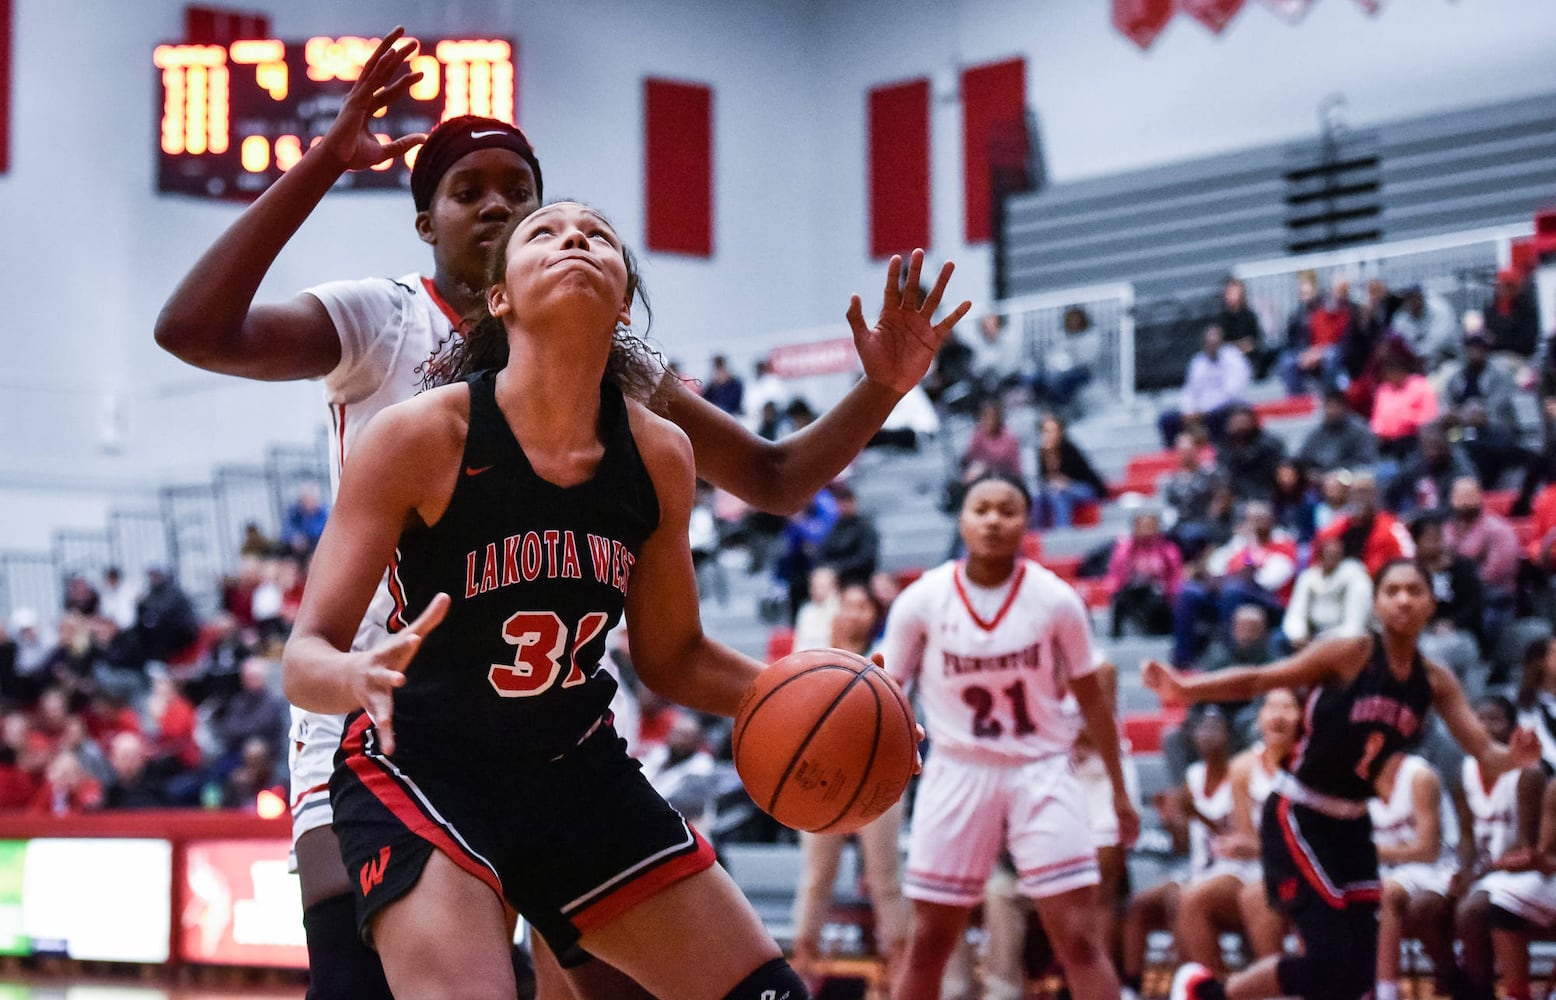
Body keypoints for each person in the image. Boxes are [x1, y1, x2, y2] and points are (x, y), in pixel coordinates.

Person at [154, 29, 969, 1000]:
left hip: (556, 726)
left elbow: (774, 480)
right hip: (379, 711)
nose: (500, 204)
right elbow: (193, 329)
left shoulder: (632, 396)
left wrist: (877, 393)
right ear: (437, 232)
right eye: (468, 191)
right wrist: (326, 160)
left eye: (523, 191)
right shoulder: (385, 325)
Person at [281, 200, 818, 1000]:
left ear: (625, 299)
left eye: (598, 236)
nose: (576, 239)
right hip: (423, 768)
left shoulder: (660, 453)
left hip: (575, 771)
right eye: (547, 233)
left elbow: (672, 657)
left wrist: (804, 693)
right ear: (499, 299)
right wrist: (359, 677)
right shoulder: (419, 437)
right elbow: (304, 656)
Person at [1145, 558, 1540, 1000]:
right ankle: (1206, 993)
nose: (1403, 600)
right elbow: (1261, 677)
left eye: (1414, 590)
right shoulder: (1350, 652)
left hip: (1353, 825)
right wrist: (1186, 688)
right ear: (1376, 603)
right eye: (1392, 591)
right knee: (1329, 957)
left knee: (1358, 972)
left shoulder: (1435, 680)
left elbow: (1486, 751)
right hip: (1300, 813)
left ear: (1432, 604)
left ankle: (1206, 992)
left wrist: (1516, 757)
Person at [882, 473, 1138, 1000]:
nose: (994, 520)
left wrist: (1118, 789)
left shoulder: (1057, 600)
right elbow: (883, 692)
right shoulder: (921, 601)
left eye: (1008, 509)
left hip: (1040, 767)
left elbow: (1093, 700)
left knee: (1079, 941)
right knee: (928, 941)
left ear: (1027, 521)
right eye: (982, 509)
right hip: (956, 766)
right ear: (963, 518)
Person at [790, 582, 908, 986]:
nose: (857, 613)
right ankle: (803, 967)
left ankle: (899, 969)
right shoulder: (811, 656)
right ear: (835, 612)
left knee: (885, 879)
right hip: (823, 777)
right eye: (850, 605)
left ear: (875, 615)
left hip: (881, 776)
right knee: (816, 877)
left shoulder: (891, 654)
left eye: (865, 606)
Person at [1423, 694, 1544, 1000]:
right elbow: (1465, 835)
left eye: (1496, 719)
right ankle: (1452, 977)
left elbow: (1526, 842)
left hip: (1519, 867)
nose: (1487, 726)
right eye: (1480, 719)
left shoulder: (1528, 773)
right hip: (1482, 866)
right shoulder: (1464, 771)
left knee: (1470, 910)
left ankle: (1480, 991)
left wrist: (1478, 875)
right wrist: (1465, 871)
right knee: (1429, 905)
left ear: (1512, 727)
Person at [1370, 753, 1450, 1000]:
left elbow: (1428, 850)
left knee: (1387, 892)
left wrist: (1370, 852)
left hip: (1436, 868)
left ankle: (1387, 992)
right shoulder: (1354, 777)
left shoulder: (1419, 776)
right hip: (1387, 869)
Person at [1158, 325, 1251, 449]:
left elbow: (1232, 393)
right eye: (1209, 343)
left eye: (1215, 343)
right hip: (1198, 412)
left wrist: (1204, 411)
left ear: (1221, 342)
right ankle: (1174, 456)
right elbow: (1190, 391)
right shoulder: (1197, 362)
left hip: (1225, 408)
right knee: (1167, 419)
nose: (1212, 347)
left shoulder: (1233, 358)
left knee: (1218, 416)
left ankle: (1220, 451)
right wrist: (1188, 411)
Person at [1281, 531, 1372, 651]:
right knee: (1279, 640)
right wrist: (1299, 635)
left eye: (1335, 555)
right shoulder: (1309, 577)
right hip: (1312, 636)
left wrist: (1321, 641)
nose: (1331, 559)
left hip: (1346, 638)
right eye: (1327, 554)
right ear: (1319, 557)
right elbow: (1295, 613)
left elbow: (1355, 625)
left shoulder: (1356, 577)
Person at [1033, 413, 1109, 530]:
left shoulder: (1069, 449)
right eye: (1046, 431)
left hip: (1083, 488)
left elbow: (1081, 474)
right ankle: (1037, 532)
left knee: (1061, 497)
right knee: (1039, 498)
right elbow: (1044, 478)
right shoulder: (1042, 452)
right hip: (1056, 489)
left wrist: (1065, 483)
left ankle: (1063, 532)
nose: (1050, 435)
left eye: (1053, 431)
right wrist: (1049, 456)